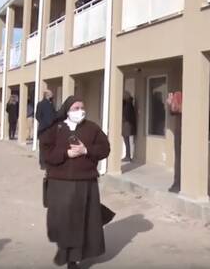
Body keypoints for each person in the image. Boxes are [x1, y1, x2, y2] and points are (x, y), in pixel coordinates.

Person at [40, 96, 113, 269]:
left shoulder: (92, 128)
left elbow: (105, 149)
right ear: (67, 110)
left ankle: (73, 259)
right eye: (75, 108)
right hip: (60, 182)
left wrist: (86, 150)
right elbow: (46, 153)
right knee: (62, 221)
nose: (79, 110)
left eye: (81, 107)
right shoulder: (55, 129)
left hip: (85, 182)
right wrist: (66, 153)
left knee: (81, 222)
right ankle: (63, 250)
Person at [36, 90, 58, 169]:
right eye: (51, 94)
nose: (52, 96)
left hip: (49, 129)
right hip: (44, 129)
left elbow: (54, 114)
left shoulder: (51, 104)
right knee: (43, 146)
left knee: (48, 146)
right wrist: (44, 123)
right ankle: (43, 164)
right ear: (47, 95)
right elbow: (38, 116)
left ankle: (46, 163)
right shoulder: (41, 104)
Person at [121, 92, 137, 162]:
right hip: (128, 125)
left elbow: (126, 116)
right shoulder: (129, 104)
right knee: (128, 142)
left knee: (127, 142)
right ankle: (128, 156)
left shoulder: (128, 105)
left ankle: (128, 156)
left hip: (127, 125)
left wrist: (123, 119)